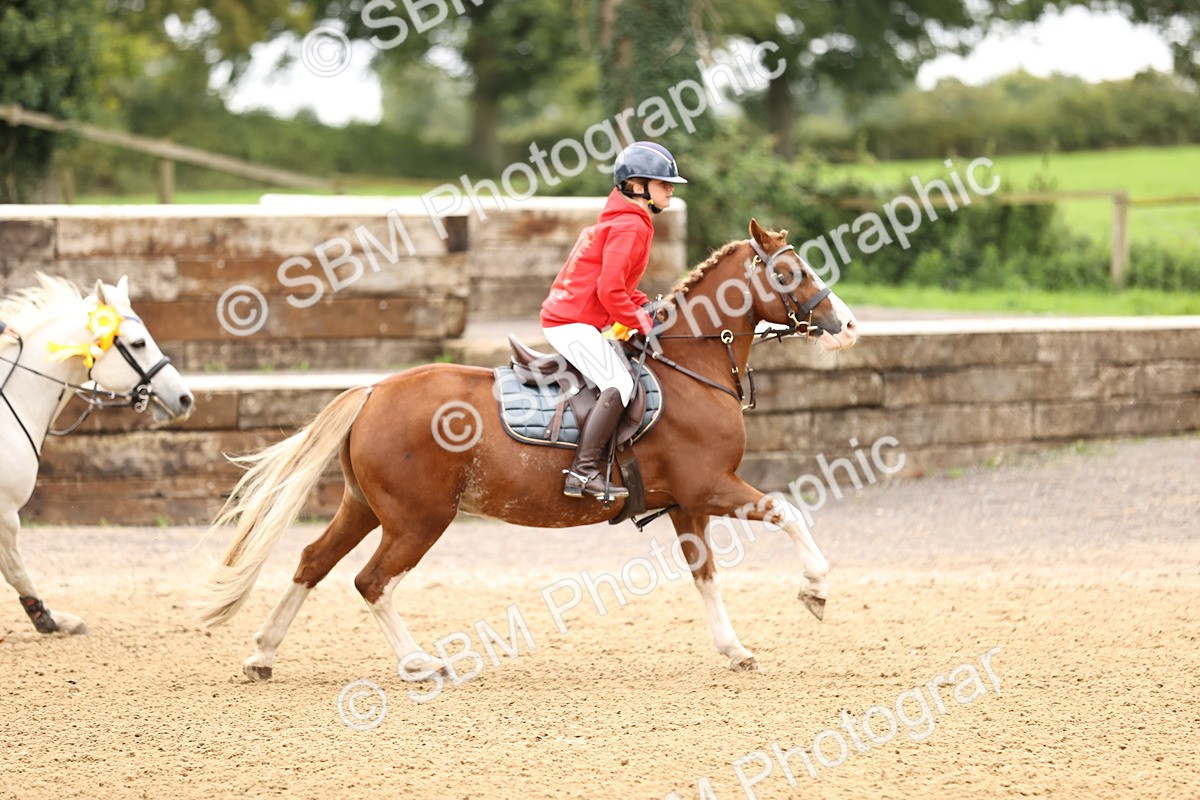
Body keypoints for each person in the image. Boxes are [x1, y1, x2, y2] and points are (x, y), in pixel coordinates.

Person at [540, 141, 687, 499]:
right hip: (570, 325)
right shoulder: (630, 227)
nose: (670, 188)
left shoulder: (626, 221)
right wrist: (643, 324)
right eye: (662, 182)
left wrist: (649, 308)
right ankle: (584, 472)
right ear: (637, 186)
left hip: (573, 320)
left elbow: (618, 286)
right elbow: (609, 292)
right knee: (620, 382)